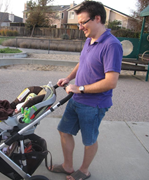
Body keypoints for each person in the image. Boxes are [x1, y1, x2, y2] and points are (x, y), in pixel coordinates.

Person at [49, 1, 123, 180]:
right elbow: (82, 62)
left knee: (89, 140)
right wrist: (68, 79)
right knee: (64, 130)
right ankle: (67, 166)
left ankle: (84, 170)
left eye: (83, 22)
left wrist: (80, 88)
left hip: (94, 104)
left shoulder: (112, 45)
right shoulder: (90, 40)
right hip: (76, 99)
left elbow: (111, 82)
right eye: (79, 23)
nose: (80, 27)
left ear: (97, 18)